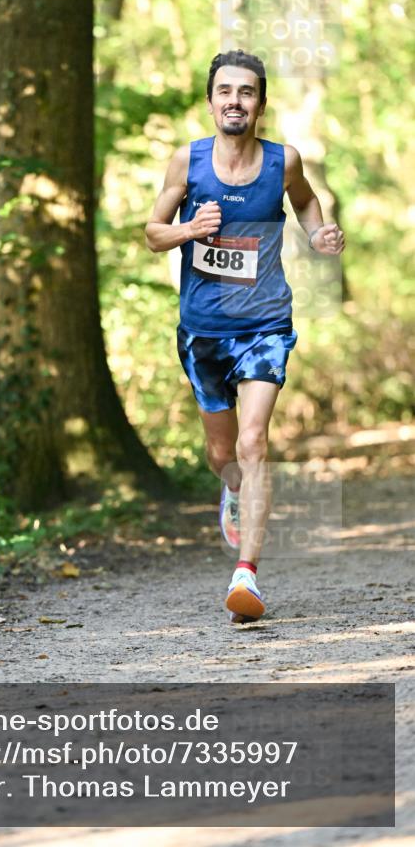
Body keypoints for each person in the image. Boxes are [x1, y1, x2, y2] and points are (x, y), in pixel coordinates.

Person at [145, 50, 345, 623]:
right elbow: (154, 233)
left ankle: (247, 575)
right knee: (222, 453)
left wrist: (318, 233)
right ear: (211, 102)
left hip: (264, 324)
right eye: (225, 91)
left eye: (247, 92)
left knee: (254, 441)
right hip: (204, 330)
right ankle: (233, 488)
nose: (235, 100)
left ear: (260, 103)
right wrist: (189, 228)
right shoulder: (188, 161)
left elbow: (306, 203)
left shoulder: (283, 162)